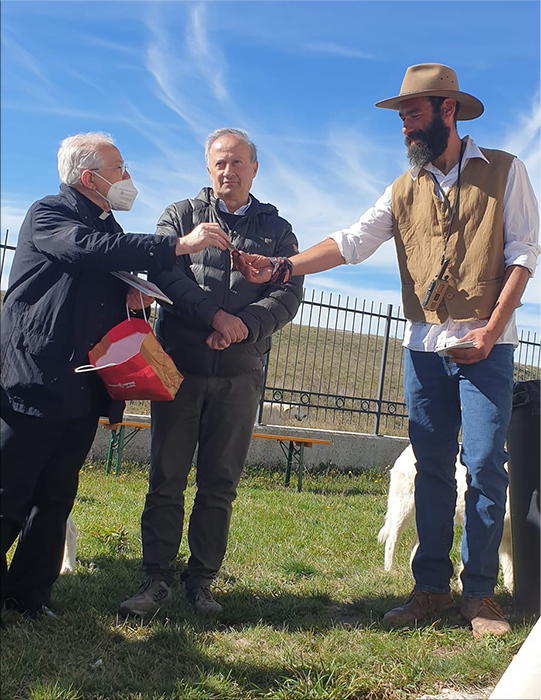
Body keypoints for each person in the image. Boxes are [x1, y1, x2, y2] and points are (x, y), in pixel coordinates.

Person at [233, 64, 540, 637]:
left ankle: (479, 596)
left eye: (413, 115)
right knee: (430, 467)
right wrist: (281, 266)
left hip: (487, 346)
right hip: (422, 347)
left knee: (482, 467)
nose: (404, 128)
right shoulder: (403, 189)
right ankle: (430, 589)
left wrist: (492, 332)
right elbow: (352, 240)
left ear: (448, 110)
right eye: (401, 118)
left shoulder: (505, 171)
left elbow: (524, 254)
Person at [0, 132, 230, 619]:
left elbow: (95, 270)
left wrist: (129, 297)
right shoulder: (51, 214)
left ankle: (28, 597)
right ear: (89, 178)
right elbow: (86, 251)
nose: (127, 177)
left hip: (82, 388)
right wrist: (178, 245)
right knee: (9, 492)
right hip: (33, 383)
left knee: (56, 497)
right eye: (119, 168)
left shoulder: (106, 229)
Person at [119, 128, 303, 617]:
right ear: (208, 168)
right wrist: (213, 316)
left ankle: (201, 582)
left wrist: (241, 325)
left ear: (254, 168)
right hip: (179, 370)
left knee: (219, 484)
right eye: (220, 163)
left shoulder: (278, 230)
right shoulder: (179, 217)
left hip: (240, 375)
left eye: (238, 162)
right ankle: (154, 580)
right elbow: (165, 271)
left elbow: (288, 294)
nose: (229, 171)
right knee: (166, 478)